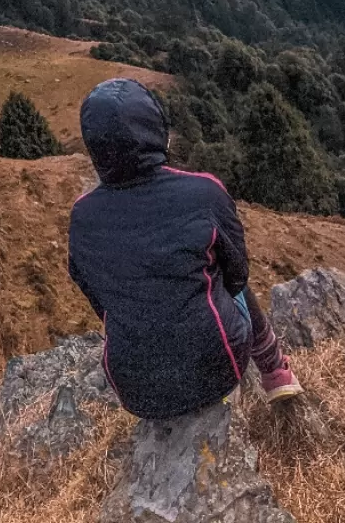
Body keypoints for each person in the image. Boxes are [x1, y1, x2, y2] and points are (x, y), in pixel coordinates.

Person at [67, 77, 303, 420]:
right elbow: (237, 276)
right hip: (216, 369)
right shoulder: (203, 193)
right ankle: (275, 371)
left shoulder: (82, 216)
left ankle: (272, 371)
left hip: (136, 391)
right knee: (217, 269)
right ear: (156, 130)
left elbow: (96, 295)